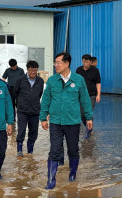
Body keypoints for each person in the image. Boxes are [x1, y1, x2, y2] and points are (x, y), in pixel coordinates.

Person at [40, 52, 93, 190]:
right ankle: (51, 180)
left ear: (67, 63)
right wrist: (43, 117)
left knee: (73, 150)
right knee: (54, 151)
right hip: (56, 122)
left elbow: (85, 100)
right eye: (55, 63)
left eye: (58, 62)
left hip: (72, 122)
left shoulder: (78, 80)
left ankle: (72, 175)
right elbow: (46, 100)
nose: (55, 65)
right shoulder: (52, 80)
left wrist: (89, 117)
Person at [13, 60, 44, 157]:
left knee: (33, 132)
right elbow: (15, 93)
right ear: (27, 69)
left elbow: (39, 94)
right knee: (21, 130)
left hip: (35, 111)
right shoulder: (20, 80)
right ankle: (19, 150)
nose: (33, 72)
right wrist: (20, 104)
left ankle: (30, 151)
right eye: (31, 70)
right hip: (22, 111)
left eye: (35, 70)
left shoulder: (40, 81)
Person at [76, 54, 101, 139]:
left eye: (86, 62)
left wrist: (98, 94)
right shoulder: (79, 70)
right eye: (83, 62)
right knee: (82, 114)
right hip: (80, 96)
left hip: (92, 95)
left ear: (90, 62)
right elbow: (76, 83)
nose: (85, 64)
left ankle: (88, 132)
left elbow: (98, 83)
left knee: (88, 113)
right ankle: (89, 126)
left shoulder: (95, 71)